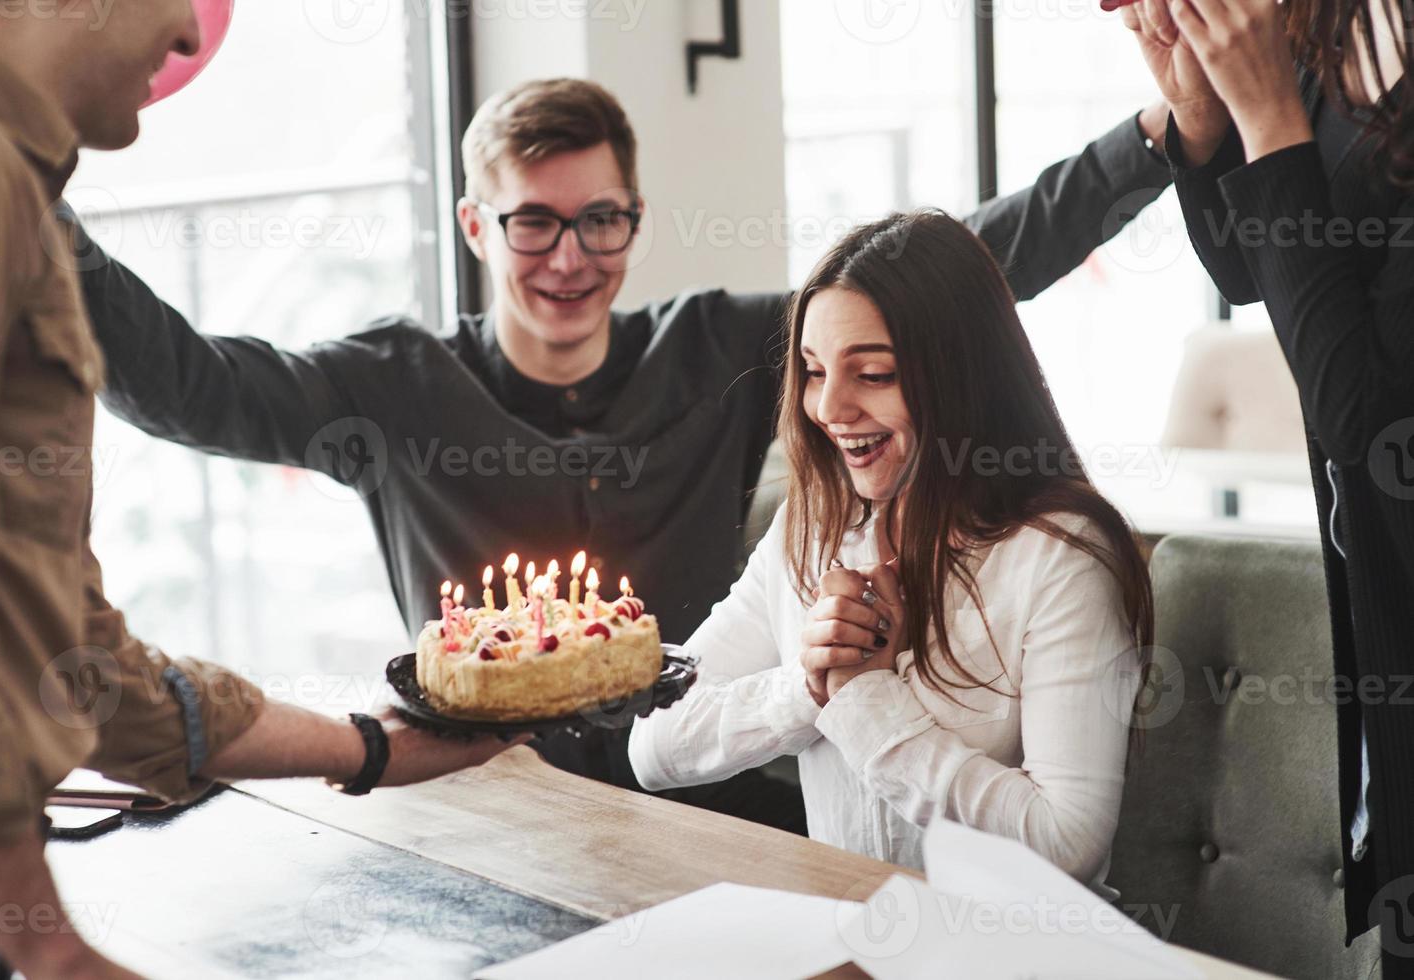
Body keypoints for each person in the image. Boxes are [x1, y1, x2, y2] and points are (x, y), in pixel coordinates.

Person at [69, 74, 1175, 819]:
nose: (569, 255)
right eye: (533, 221)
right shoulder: (390, 382)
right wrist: (29, 200)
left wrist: (1150, 143)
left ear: (634, 219)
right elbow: (187, 388)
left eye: (601, 218)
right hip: (495, 801)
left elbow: (948, 281)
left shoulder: (724, 348)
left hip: (713, 798)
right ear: (473, 227)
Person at [0, 3, 519, 977]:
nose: (188, 39)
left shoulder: (18, 193)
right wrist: (49, 945)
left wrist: (368, 746)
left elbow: (71, 650)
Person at [629, 209, 1153, 893]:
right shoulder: (811, 525)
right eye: (814, 372)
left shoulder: (1061, 555)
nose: (830, 408)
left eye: (872, 374)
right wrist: (809, 684)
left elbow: (1066, 842)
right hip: (854, 945)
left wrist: (867, 699)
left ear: (961, 379)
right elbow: (656, 744)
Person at [1121, 0, 1413, 972]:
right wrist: (1210, 121)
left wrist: (1271, 122)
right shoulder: (1332, 33)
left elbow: (1364, 414)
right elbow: (1260, 274)